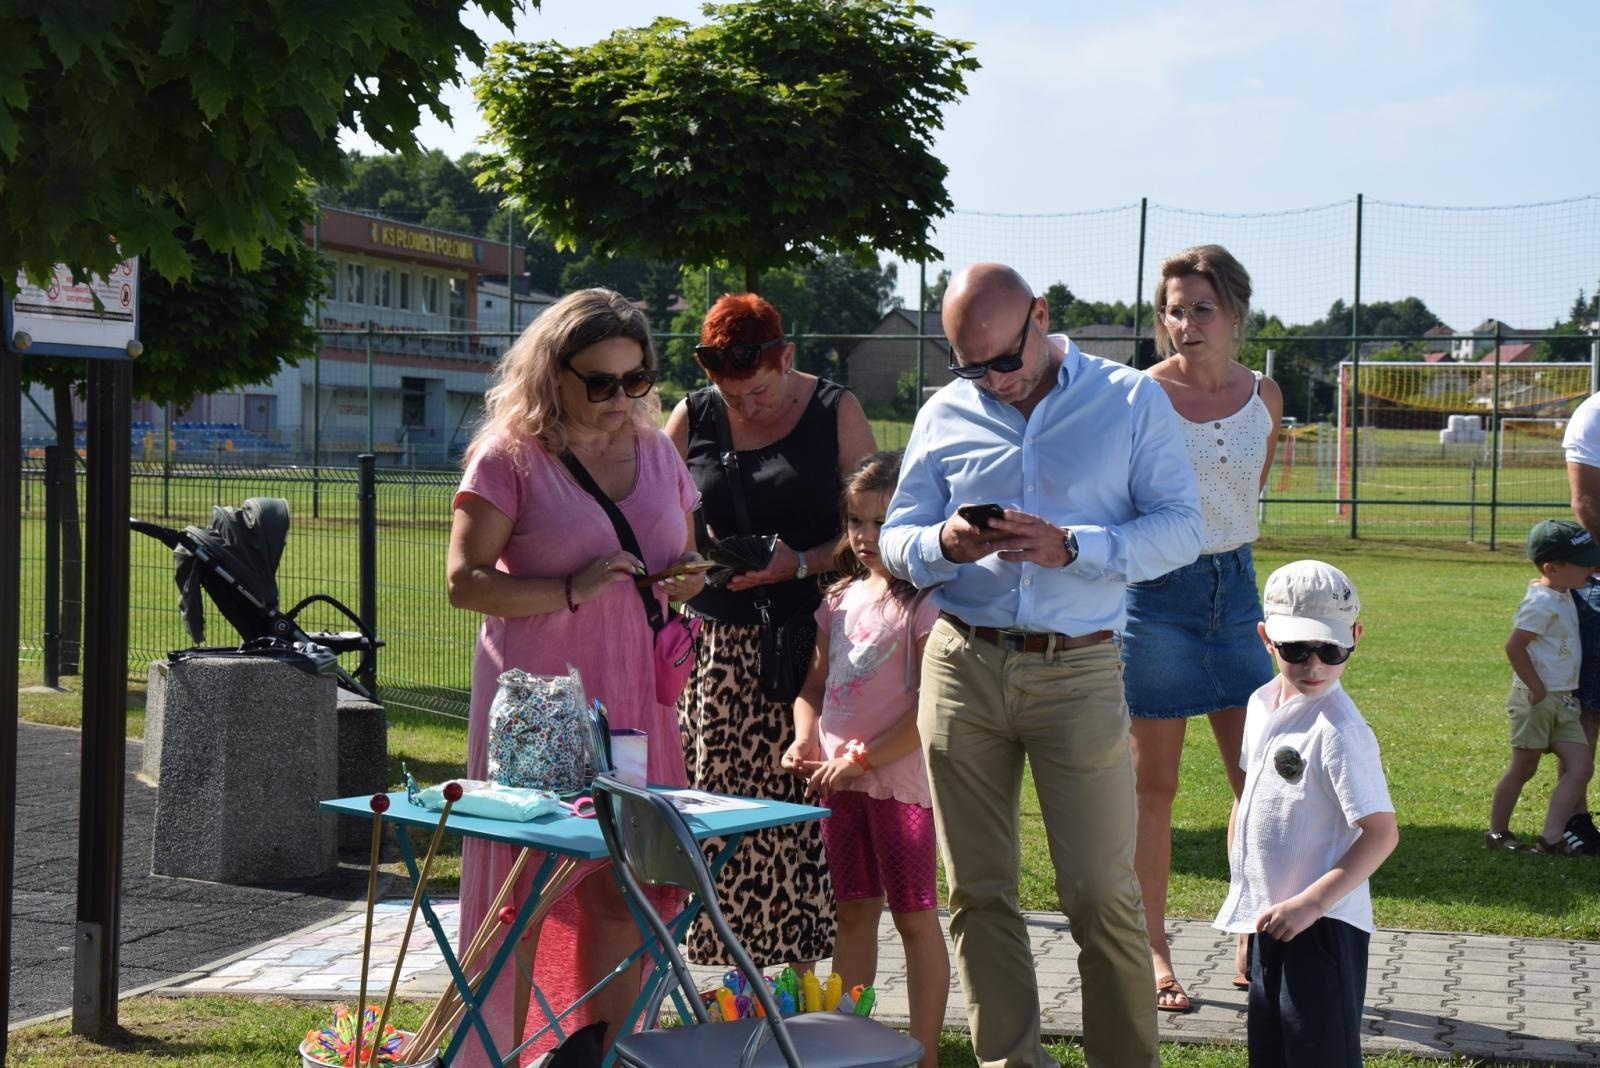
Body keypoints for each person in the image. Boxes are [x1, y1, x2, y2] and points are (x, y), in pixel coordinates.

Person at [879, 262, 1203, 1068]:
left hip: (1079, 670)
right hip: (962, 662)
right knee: (978, 891)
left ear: (1042, 316)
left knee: (1101, 893)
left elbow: (1182, 527)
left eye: (1003, 359)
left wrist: (1074, 547)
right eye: (970, 366)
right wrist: (943, 543)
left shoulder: (1129, 400)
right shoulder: (945, 411)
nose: (992, 380)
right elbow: (895, 538)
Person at [446, 289, 705, 1063]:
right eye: (600, 382)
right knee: (518, 906)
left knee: (622, 896)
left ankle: (611, 1058)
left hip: (635, 711)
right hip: (540, 714)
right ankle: (495, 1056)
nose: (621, 398)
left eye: (636, 379)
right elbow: (464, 582)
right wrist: (571, 587)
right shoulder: (508, 456)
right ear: (552, 373)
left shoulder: (658, 452)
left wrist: (687, 577)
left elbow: (681, 556)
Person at [665, 292, 877, 970]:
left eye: (757, 391)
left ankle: (800, 987)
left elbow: (876, 526)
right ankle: (728, 985)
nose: (745, 407)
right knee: (720, 818)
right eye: (730, 396)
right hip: (718, 655)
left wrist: (802, 562)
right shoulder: (692, 415)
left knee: (800, 823)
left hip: (810, 648)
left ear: (786, 358)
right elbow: (656, 518)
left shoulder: (835, 411)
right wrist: (694, 557)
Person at [1121, 244, 1284, 1012]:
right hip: (1158, 602)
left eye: (1202, 309)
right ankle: (1154, 954)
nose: (1186, 324)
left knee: (1257, 782)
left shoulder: (1265, 396)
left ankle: (1252, 928)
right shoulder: (1140, 396)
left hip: (1240, 598)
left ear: (1236, 313)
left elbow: (1245, 494)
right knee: (1153, 789)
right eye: (1174, 311)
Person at [782, 451, 948, 1068]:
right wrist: (804, 738)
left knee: (914, 917)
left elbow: (929, 708)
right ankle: (849, 1048)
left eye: (883, 522)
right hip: (840, 784)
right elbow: (813, 688)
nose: (866, 535)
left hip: (899, 787)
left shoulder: (926, 604)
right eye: (856, 521)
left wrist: (865, 760)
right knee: (853, 913)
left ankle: (925, 1054)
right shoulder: (839, 598)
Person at [1214, 560, 1398, 1068]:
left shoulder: (1340, 730)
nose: (1315, 665)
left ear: (1355, 637)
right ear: (1266, 639)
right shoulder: (1260, 705)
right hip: (1270, 919)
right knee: (1271, 1053)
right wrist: (1246, 917)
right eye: (1296, 649)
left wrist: (1310, 905)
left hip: (1324, 926)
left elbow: (1381, 834)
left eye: (1331, 649)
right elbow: (1247, 802)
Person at [1488, 519, 1599, 855]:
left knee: (1581, 767)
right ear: (1552, 568)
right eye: (1583, 564)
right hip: (1535, 700)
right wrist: (1536, 688)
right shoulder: (1541, 603)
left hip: (1564, 701)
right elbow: (1514, 647)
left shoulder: (1563, 591)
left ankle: (1551, 837)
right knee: (1524, 768)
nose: (1592, 568)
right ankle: (1497, 832)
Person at [1556, 397, 1600, 853]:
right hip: (1599, 583)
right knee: (1590, 705)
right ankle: (1574, 820)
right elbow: (1587, 501)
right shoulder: (1595, 413)